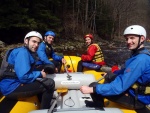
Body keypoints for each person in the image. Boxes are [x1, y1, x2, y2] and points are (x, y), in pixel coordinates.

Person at [80, 25, 150, 112]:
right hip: (134, 92)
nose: (128, 41)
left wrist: (93, 89)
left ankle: (98, 105)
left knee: (93, 85)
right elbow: (126, 71)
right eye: (127, 38)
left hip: (137, 100)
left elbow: (120, 86)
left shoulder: (141, 59)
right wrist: (114, 72)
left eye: (132, 38)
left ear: (142, 39)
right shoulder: (138, 54)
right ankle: (100, 101)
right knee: (109, 75)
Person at [0, 31, 55, 109]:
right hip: (11, 88)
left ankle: (40, 102)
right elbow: (24, 77)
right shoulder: (23, 52)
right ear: (26, 41)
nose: (36, 45)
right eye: (34, 41)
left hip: (11, 84)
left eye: (38, 43)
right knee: (50, 83)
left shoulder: (22, 51)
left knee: (39, 80)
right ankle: (45, 109)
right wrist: (40, 74)